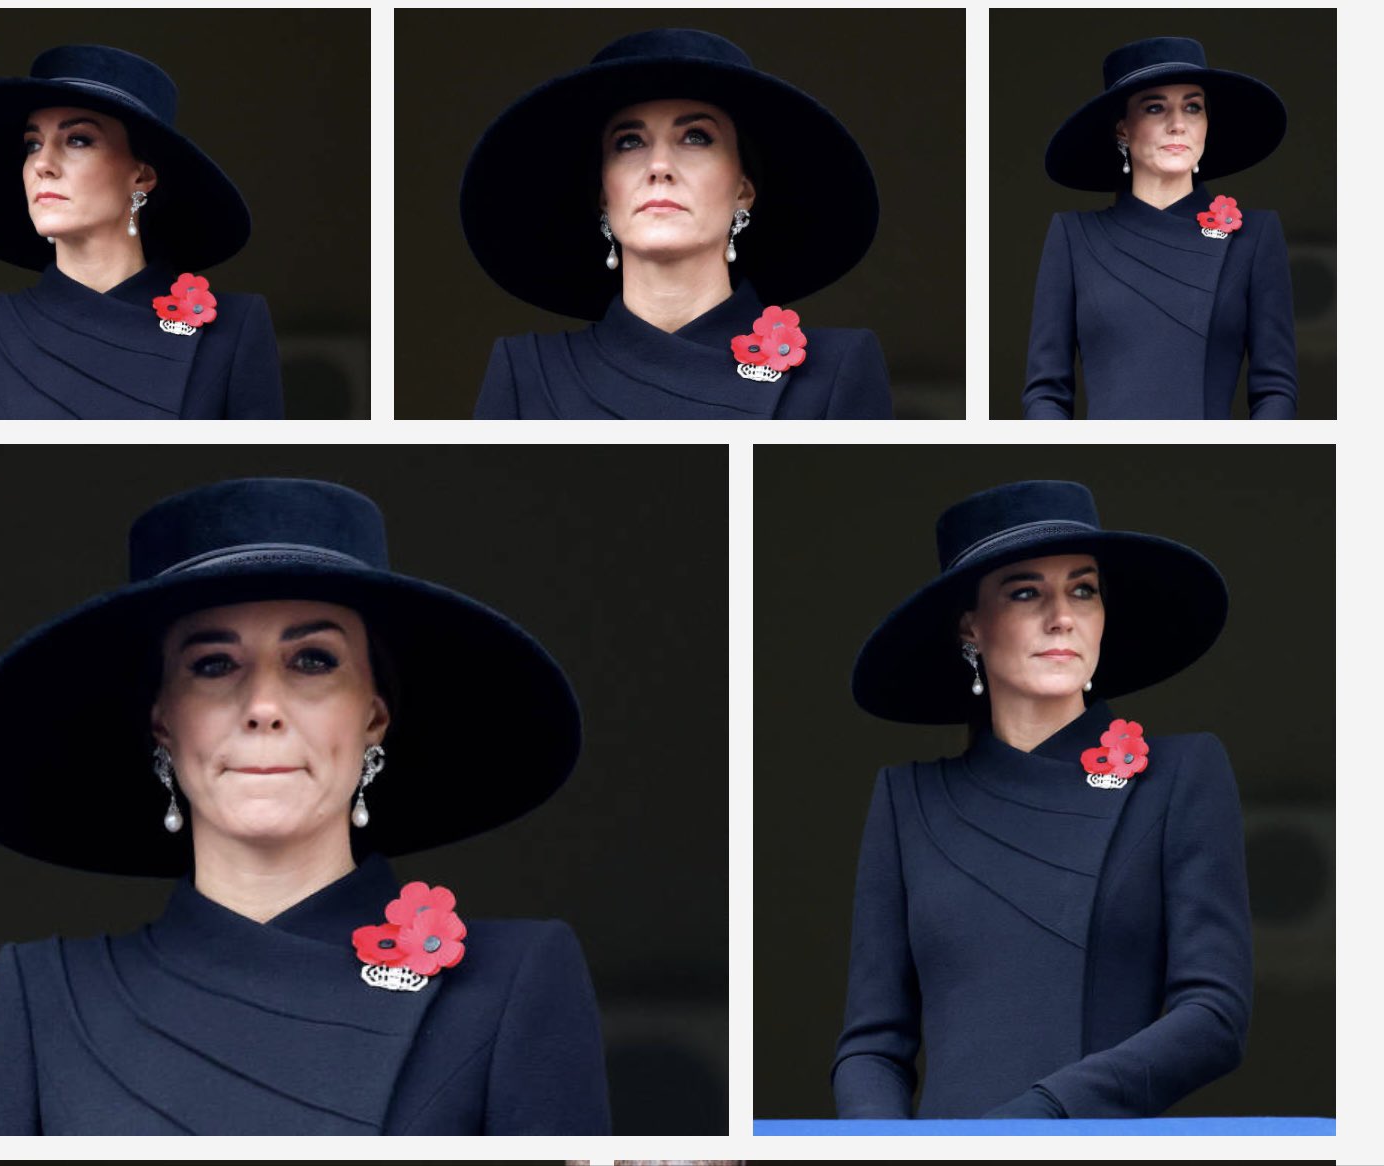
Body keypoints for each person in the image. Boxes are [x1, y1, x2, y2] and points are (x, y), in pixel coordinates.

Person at [0, 478, 609, 1133]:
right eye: (213, 665)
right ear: (163, 722)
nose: (263, 707)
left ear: (374, 716)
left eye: (313, 660)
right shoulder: (45, 998)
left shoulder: (513, 984)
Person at [833, 480, 1252, 1118]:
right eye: (1026, 591)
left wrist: (1041, 1120)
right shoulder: (905, 801)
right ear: (971, 626)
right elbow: (872, 1046)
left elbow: (1215, 1015)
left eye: (1083, 589)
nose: (1063, 615)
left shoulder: (1181, 774)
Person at [461, 28, 892, 419]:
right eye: (629, 142)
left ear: (743, 189)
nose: (659, 166)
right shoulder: (526, 371)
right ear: (603, 196)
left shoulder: (836, 367)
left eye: (696, 137)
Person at [0, 45, 284, 418]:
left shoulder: (235, 329)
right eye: (32, 144)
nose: (42, 163)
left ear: (142, 175)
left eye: (78, 140)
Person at [1024, 37, 1297, 419]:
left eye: (1193, 107)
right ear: (1122, 129)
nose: (1178, 125)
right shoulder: (1073, 237)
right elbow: (1046, 392)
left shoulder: (1255, 235)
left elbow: (1275, 389)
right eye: (1155, 108)